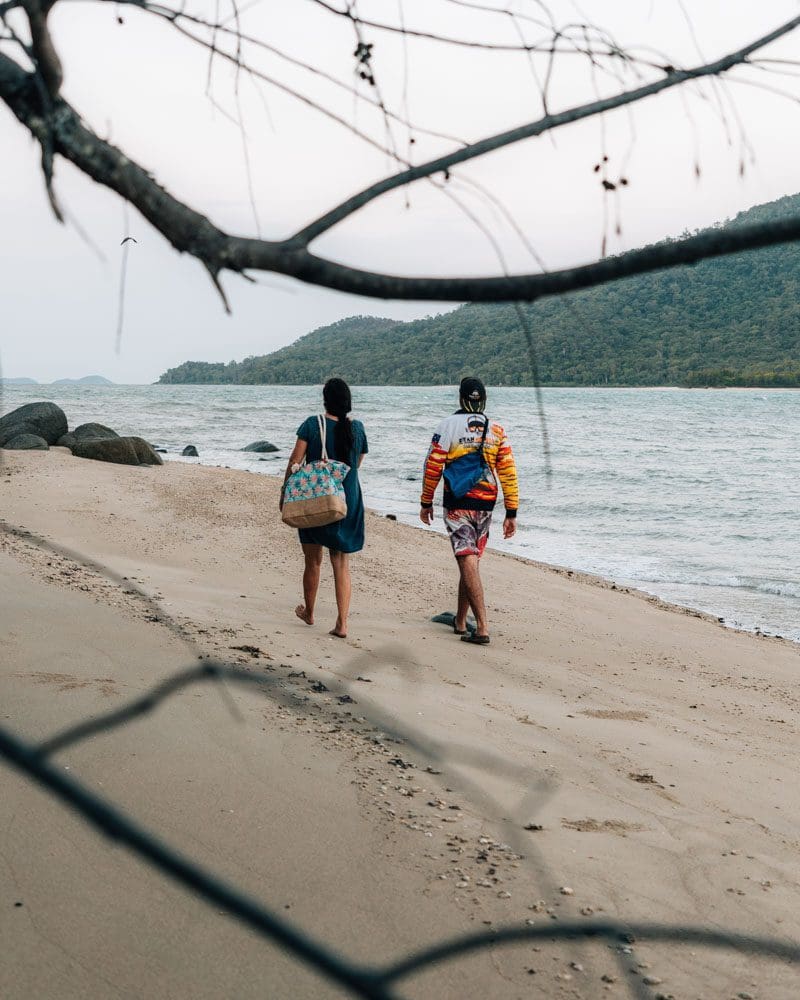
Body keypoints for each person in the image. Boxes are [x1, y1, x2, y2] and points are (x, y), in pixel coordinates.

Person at [419, 377, 519, 644]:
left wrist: (425, 501)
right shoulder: (496, 429)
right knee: (469, 558)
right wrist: (512, 511)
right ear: (483, 400)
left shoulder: (448, 426)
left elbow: (433, 465)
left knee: (467, 559)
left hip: (458, 501)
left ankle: (483, 627)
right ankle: (461, 621)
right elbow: (508, 472)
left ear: (461, 398)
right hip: (486, 503)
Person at [282, 378, 368, 638]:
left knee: (313, 560)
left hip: (314, 499)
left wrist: (285, 492)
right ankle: (342, 623)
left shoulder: (312, 424)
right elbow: (358, 462)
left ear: (325, 400)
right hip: (346, 500)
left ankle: (309, 612)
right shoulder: (358, 428)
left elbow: (295, 461)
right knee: (340, 561)